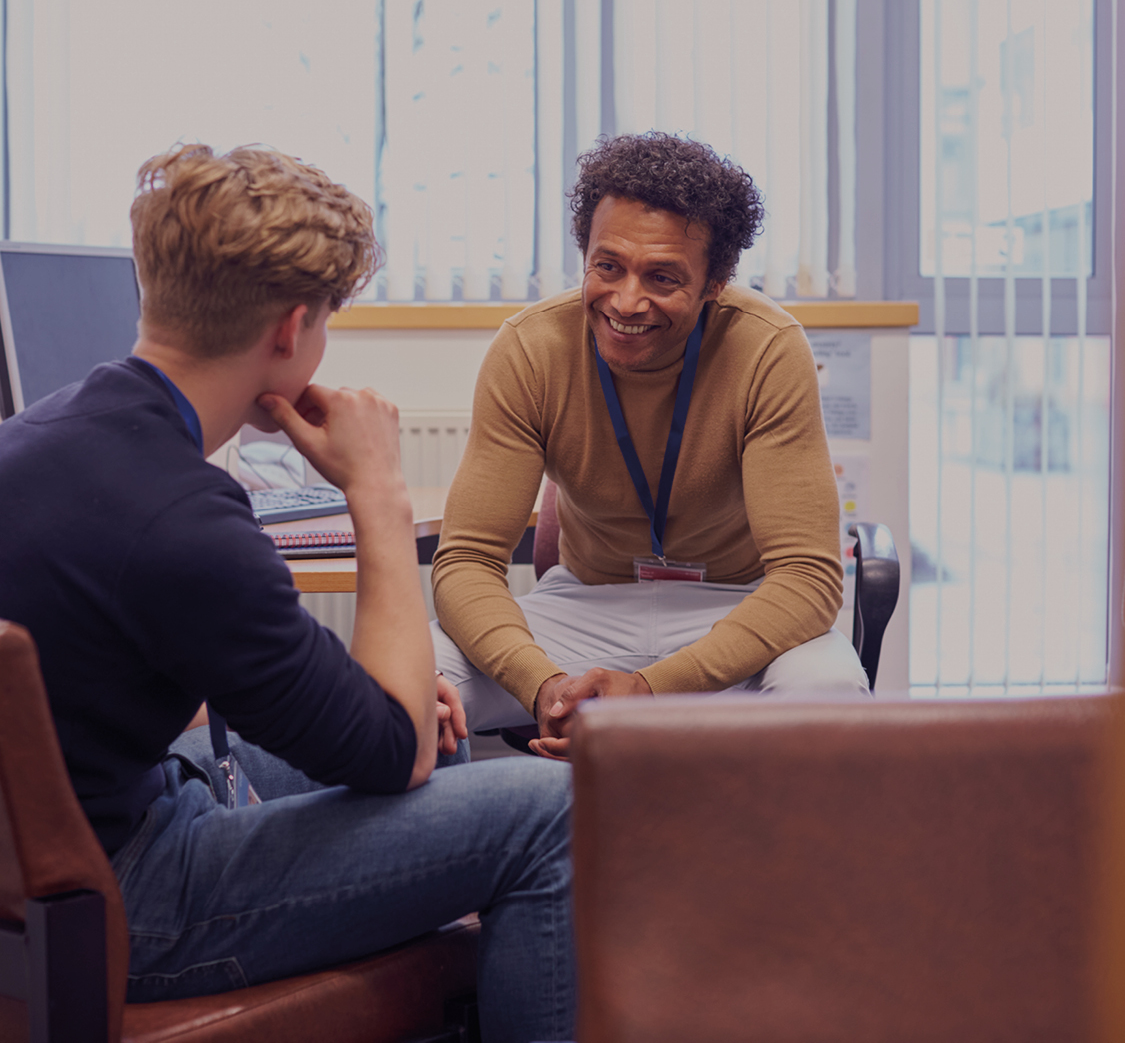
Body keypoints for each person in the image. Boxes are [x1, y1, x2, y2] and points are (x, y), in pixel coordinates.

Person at [0, 144, 573, 1043]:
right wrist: (376, 491)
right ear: (291, 328)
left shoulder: (45, 431)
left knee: (444, 740)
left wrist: (380, 709)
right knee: (551, 813)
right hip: (123, 898)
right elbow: (391, 753)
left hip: (57, 849)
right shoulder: (184, 520)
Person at [431, 132, 869, 760]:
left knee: (828, 694)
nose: (626, 301)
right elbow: (467, 562)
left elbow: (806, 579)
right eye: (607, 266)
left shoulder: (767, 348)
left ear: (714, 281)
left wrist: (653, 689)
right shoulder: (531, 349)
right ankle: (479, 850)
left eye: (662, 276)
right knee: (410, 681)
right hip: (584, 608)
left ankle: (765, 862)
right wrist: (546, 687)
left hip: (735, 607)